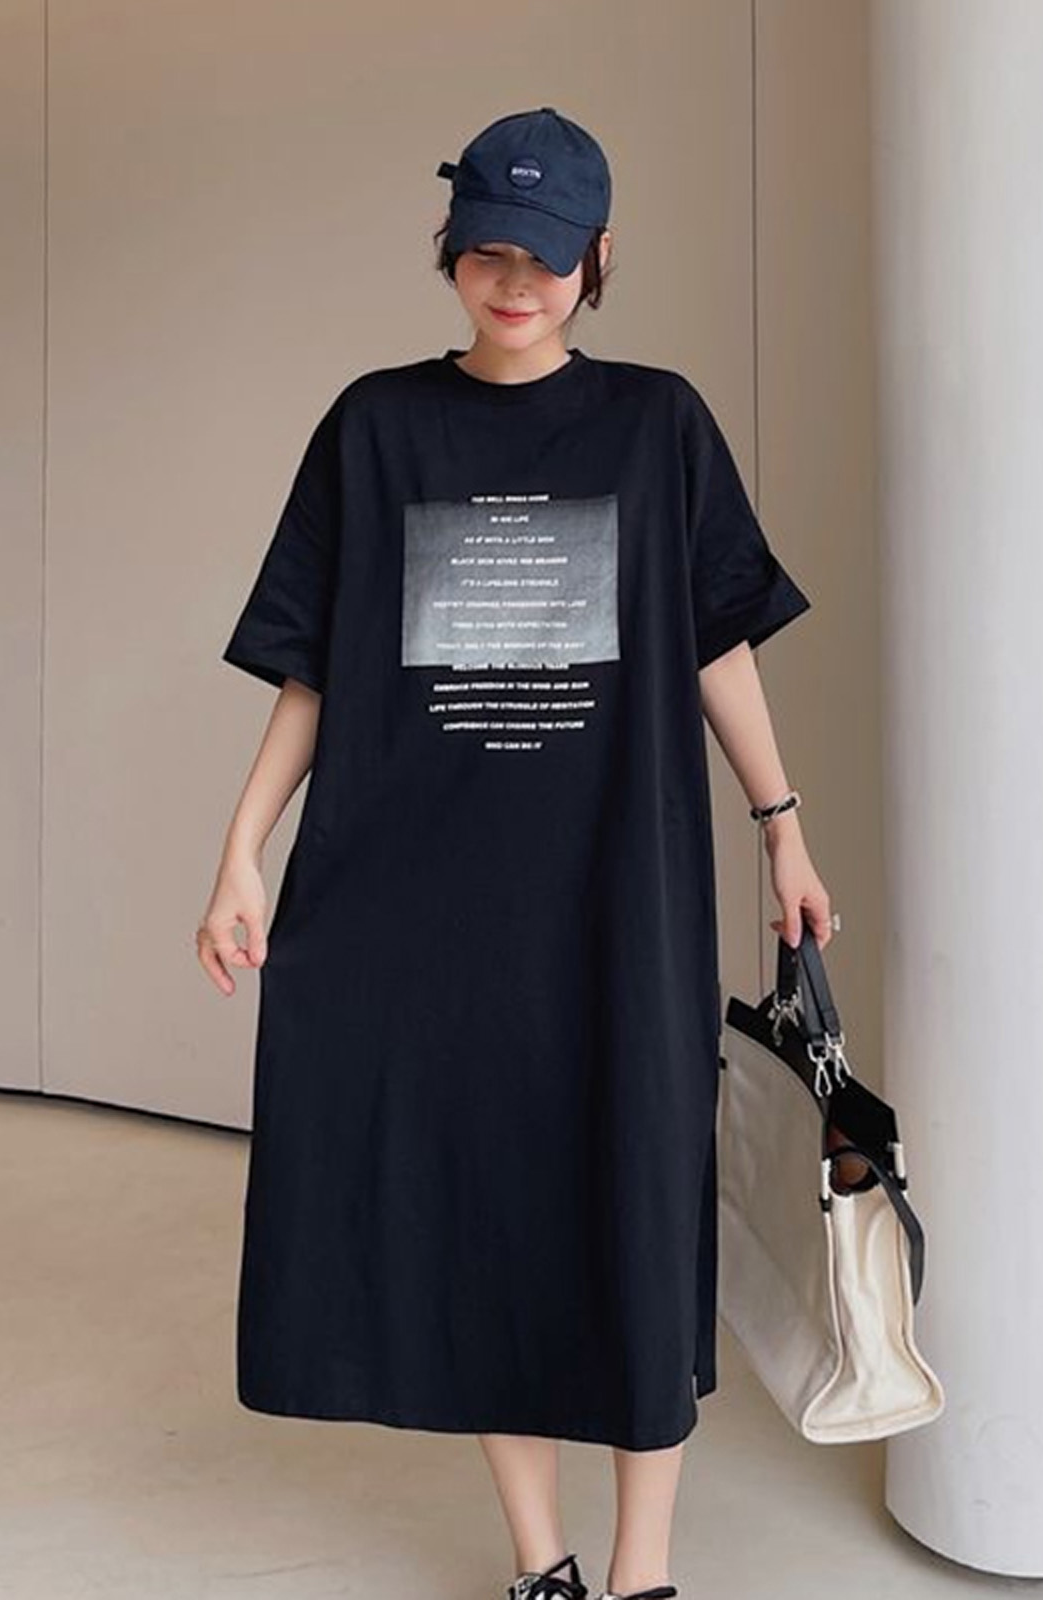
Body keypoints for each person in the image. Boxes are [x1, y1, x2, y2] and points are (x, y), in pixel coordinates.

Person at [195, 106, 834, 1600]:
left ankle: (643, 1570)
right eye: (488, 253)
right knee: (484, 1205)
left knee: (637, 1197)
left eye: (545, 258)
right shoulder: (376, 427)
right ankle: (542, 1561)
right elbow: (314, 668)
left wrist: (783, 828)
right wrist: (240, 851)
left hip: (620, 895)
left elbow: (717, 643)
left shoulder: (658, 424)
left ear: (597, 257)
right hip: (427, 904)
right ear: (451, 252)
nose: (515, 284)